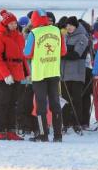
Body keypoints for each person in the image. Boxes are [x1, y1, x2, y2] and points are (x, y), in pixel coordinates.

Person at [23, 9, 67, 142]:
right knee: (55, 104)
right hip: (54, 72)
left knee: (41, 106)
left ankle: (43, 134)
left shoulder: (34, 33)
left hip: (39, 74)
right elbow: (63, 51)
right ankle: (58, 135)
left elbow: (27, 53)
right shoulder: (56, 30)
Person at [0, 10, 27, 140]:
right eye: (11, 23)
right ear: (5, 24)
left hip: (17, 73)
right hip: (2, 76)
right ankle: (0, 130)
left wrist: (26, 72)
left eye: (15, 23)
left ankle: (11, 130)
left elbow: (22, 56)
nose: (14, 25)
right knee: (3, 103)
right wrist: (6, 74)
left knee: (13, 103)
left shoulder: (19, 36)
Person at [60, 16, 89, 133]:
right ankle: (65, 123)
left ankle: (77, 123)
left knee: (77, 100)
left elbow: (76, 54)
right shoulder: (64, 37)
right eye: (67, 25)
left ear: (76, 26)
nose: (69, 27)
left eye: (71, 25)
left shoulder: (82, 37)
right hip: (64, 74)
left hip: (77, 74)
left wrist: (60, 54)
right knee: (65, 100)